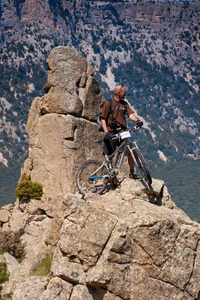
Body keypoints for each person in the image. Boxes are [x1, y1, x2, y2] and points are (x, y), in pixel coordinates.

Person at [101, 84, 143, 179]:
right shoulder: (109, 103)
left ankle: (132, 173)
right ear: (119, 93)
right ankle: (111, 175)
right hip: (111, 132)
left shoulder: (124, 104)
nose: (126, 93)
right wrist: (106, 132)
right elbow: (102, 118)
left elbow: (131, 115)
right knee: (110, 155)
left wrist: (137, 121)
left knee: (131, 150)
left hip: (123, 132)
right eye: (124, 92)